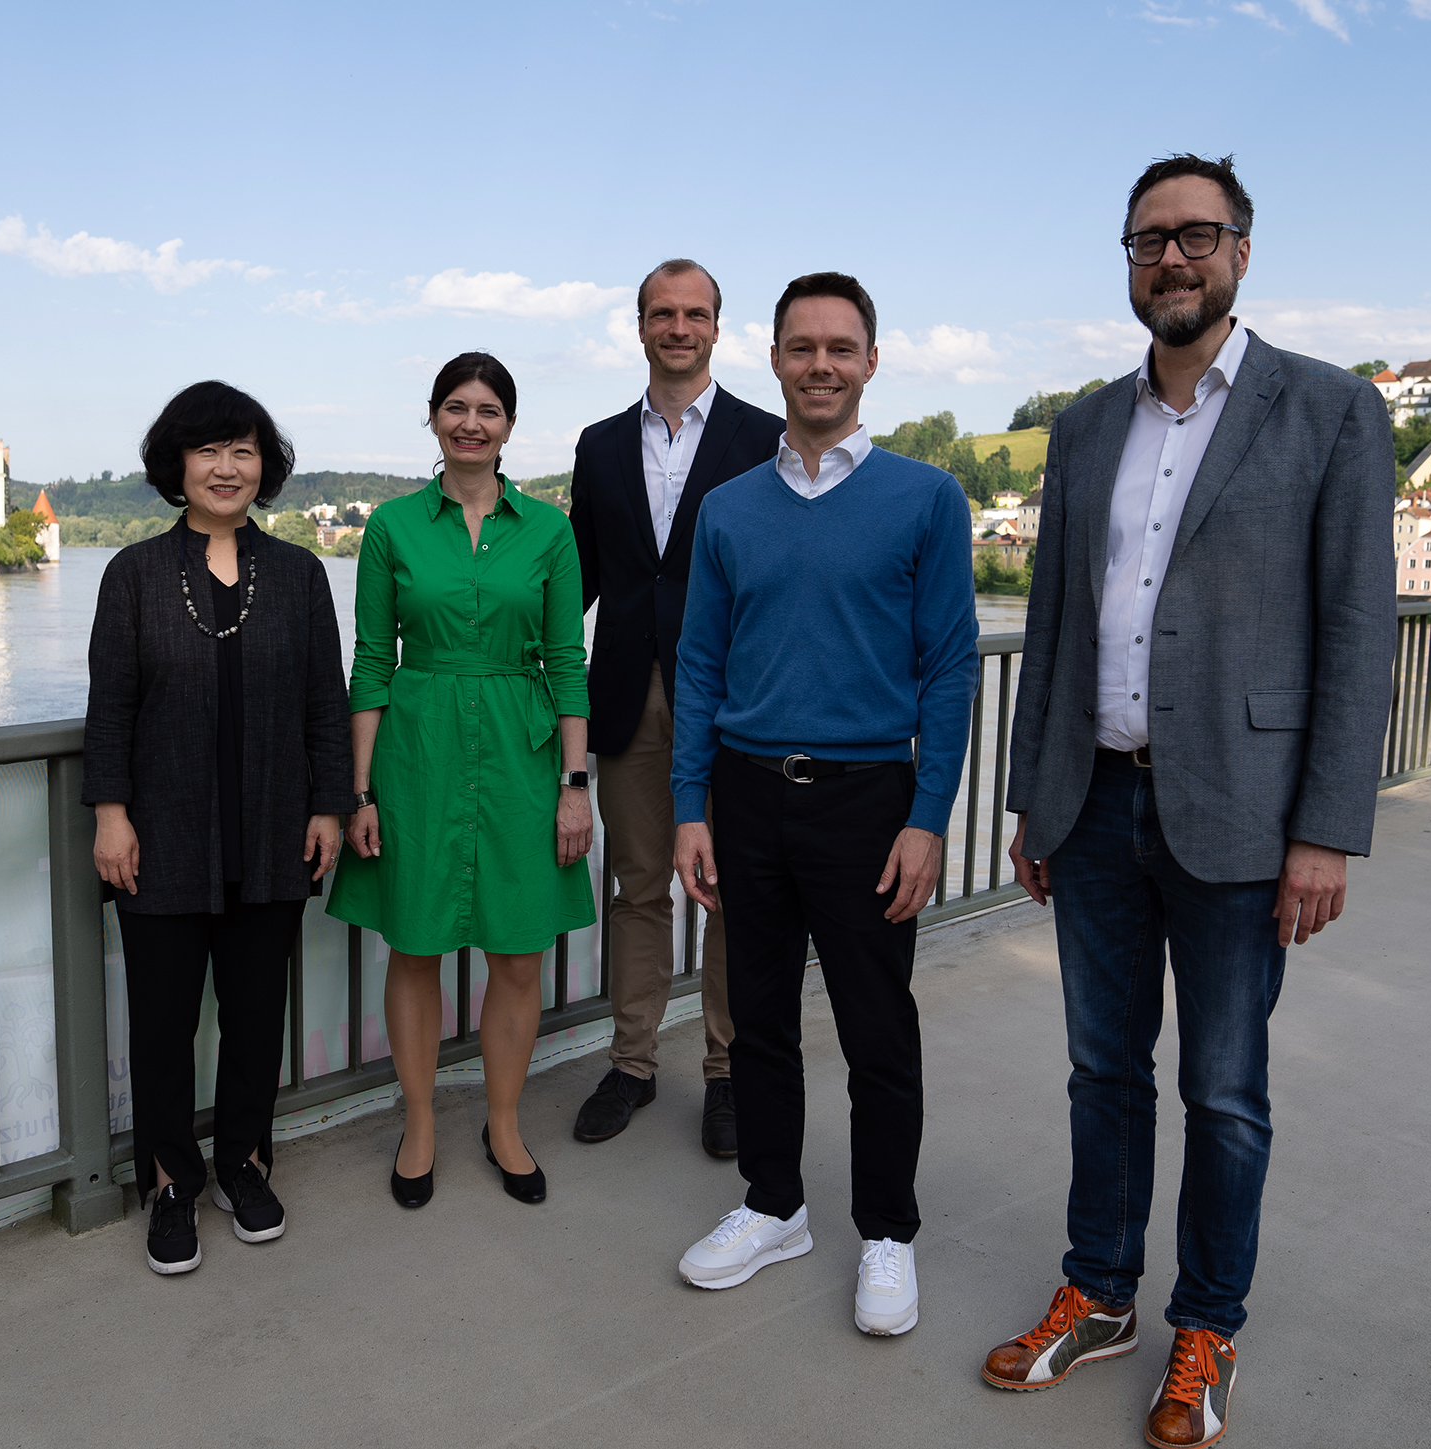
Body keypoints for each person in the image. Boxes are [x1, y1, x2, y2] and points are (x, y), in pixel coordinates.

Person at [980, 155, 1395, 1449]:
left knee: (1223, 1090)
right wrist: (1032, 800)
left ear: (1241, 252)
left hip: (1243, 814)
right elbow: (1054, 626)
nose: (1171, 257)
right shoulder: (1085, 430)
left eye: (1196, 235)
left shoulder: (1327, 410)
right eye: (1148, 238)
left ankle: (1206, 1323)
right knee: (1101, 1071)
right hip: (1093, 805)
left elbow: (1356, 631)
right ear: (1128, 259)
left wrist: (1325, 829)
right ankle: (1100, 1292)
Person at [669, 273, 977, 1338]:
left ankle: (886, 1230)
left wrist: (927, 817)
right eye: (801, 347)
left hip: (867, 803)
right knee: (758, 1020)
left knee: (875, 1027)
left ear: (871, 362)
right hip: (747, 795)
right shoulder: (727, 508)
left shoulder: (925, 499)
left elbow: (949, 668)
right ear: (773, 360)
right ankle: (773, 1205)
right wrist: (690, 806)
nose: (820, 365)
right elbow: (699, 665)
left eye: (840, 348)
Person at [83, 380, 350, 1277]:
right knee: (161, 1024)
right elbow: (111, 707)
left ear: (263, 465)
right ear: (179, 465)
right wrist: (111, 814)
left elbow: (325, 704)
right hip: (161, 839)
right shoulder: (133, 574)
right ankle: (170, 1180)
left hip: (272, 834)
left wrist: (328, 806)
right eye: (209, 451)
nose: (227, 467)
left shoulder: (300, 575)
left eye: (243, 450)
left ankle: (243, 1161)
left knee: (255, 1017)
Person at [329, 352, 595, 1210]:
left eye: (488, 410)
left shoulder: (549, 529)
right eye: (455, 406)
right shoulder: (391, 526)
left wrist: (575, 782)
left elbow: (567, 661)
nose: (471, 423)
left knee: (517, 953)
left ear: (509, 426)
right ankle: (419, 1123)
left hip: (521, 758)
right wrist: (361, 791)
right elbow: (373, 661)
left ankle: (504, 1123)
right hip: (417, 755)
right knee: (415, 946)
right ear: (434, 417)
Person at [567, 259, 785, 1156]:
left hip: (735, 699)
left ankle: (728, 1072)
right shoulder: (598, 444)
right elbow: (574, 582)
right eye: (664, 313)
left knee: (731, 890)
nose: (679, 328)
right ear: (642, 326)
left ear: (717, 328)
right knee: (637, 886)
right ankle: (632, 1064)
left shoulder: (765, 436)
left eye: (695, 314)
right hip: (626, 693)